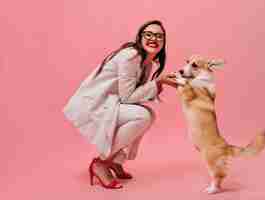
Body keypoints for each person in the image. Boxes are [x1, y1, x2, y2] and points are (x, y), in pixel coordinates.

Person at [62, 20, 178, 189]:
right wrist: (159, 83)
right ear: (139, 37)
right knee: (143, 116)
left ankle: (115, 161)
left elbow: (134, 95)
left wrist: (160, 83)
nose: (154, 38)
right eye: (149, 34)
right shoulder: (131, 56)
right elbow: (128, 97)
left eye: (159, 36)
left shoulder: (146, 61)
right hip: (95, 103)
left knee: (148, 115)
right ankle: (101, 163)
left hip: (112, 101)